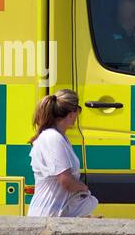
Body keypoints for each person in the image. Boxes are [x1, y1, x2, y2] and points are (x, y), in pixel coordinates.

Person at [27, 89, 98, 218]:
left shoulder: (59, 137)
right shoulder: (53, 138)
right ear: (72, 113)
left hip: (54, 213)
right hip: (48, 216)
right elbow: (65, 180)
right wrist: (83, 188)